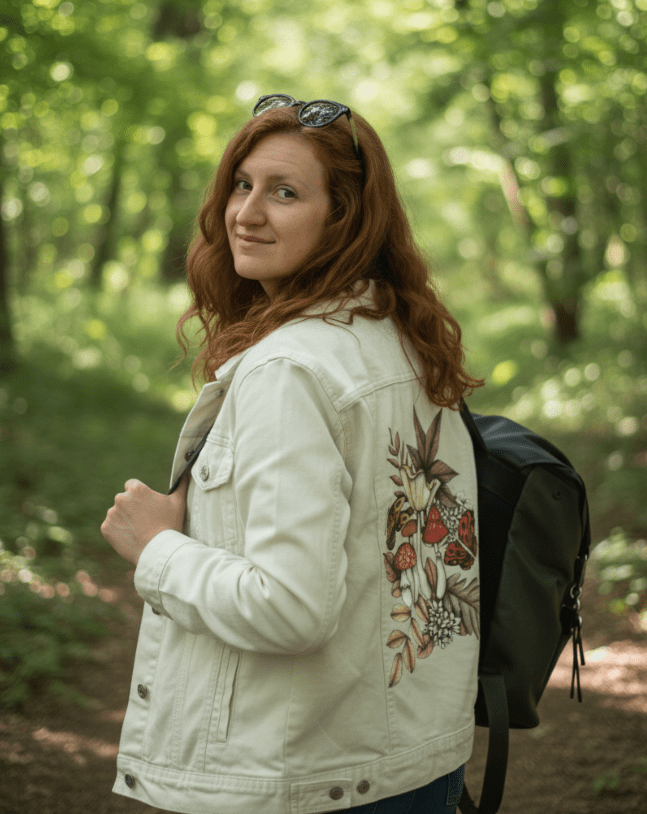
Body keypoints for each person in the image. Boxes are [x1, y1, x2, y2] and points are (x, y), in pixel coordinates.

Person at [101, 94, 483, 814]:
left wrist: (154, 548)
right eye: (241, 186)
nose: (246, 213)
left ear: (345, 218)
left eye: (284, 193)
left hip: (304, 779)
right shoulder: (401, 341)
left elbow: (291, 608)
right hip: (413, 763)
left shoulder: (292, 370)